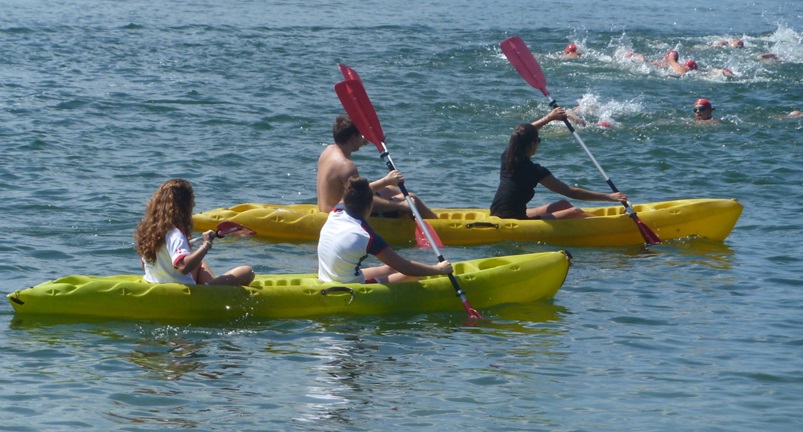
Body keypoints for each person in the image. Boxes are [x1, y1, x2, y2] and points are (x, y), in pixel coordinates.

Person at [489, 110, 627, 220]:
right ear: (532, 144)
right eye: (538, 140)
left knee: (563, 205)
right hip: (513, 219)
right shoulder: (533, 170)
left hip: (497, 212)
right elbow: (570, 192)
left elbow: (522, 134)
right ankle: (611, 225)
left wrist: (549, 118)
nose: (538, 144)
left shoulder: (508, 156)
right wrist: (609, 197)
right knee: (575, 212)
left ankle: (597, 220)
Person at [317, 176, 452, 284]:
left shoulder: (336, 211)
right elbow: (405, 267)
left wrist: (386, 181)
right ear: (371, 204)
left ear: (346, 201)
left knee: (389, 269)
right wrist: (438, 269)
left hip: (326, 277)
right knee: (409, 276)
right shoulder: (366, 235)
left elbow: (355, 192)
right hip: (349, 285)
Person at [134, 179, 255, 286]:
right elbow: (183, 266)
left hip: (155, 282)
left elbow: (146, 265)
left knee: (199, 262)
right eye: (192, 200)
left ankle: (211, 286)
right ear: (183, 205)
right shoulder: (175, 233)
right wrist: (206, 245)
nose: (194, 204)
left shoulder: (150, 232)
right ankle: (211, 290)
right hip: (179, 290)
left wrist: (185, 247)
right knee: (247, 272)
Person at [317, 114, 436, 219]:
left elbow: (354, 190)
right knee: (410, 198)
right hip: (341, 214)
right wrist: (401, 205)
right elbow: (360, 197)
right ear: (353, 138)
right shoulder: (346, 166)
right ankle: (437, 224)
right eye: (361, 135)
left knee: (391, 189)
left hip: (330, 206)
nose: (363, 138)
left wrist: (369, 140)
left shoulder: (328, 151)